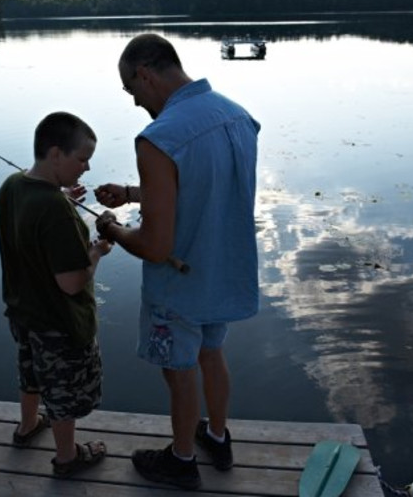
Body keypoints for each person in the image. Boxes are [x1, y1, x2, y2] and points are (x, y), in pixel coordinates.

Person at [94, 33, 261, 490]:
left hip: (180, 285)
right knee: (212, 352)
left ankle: (182, 459)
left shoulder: (159, 137)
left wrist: (111, 228)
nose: (134, 103)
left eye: (132, 91)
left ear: (144, 74)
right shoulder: (237, 115)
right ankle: (217, 436)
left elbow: (154, 246)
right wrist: (132, 194)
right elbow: (203, 189)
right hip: (223, 273)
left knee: (179, 368)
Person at [0, 111, 113, 478]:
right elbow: (72, 283)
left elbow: (31, 226)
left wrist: (59, 194)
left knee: (30, 373)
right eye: (82, 158)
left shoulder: (12, 186)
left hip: (23, 314)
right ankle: (67, 459)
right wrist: (96, 252)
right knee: (63, 394)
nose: (87, 168)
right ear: (56, 154)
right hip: (59, 324)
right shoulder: (56, 211)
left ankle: (27, 426)